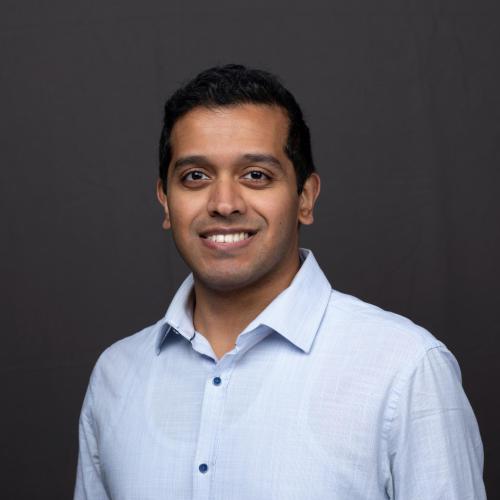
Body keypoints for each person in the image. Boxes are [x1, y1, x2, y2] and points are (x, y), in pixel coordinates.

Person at [74, 64, 486, 499]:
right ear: (165, 200)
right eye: (196, 176)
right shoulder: (115, 377)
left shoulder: (405, 369)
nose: (224, 204)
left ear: (305, 197)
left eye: (256, 175)